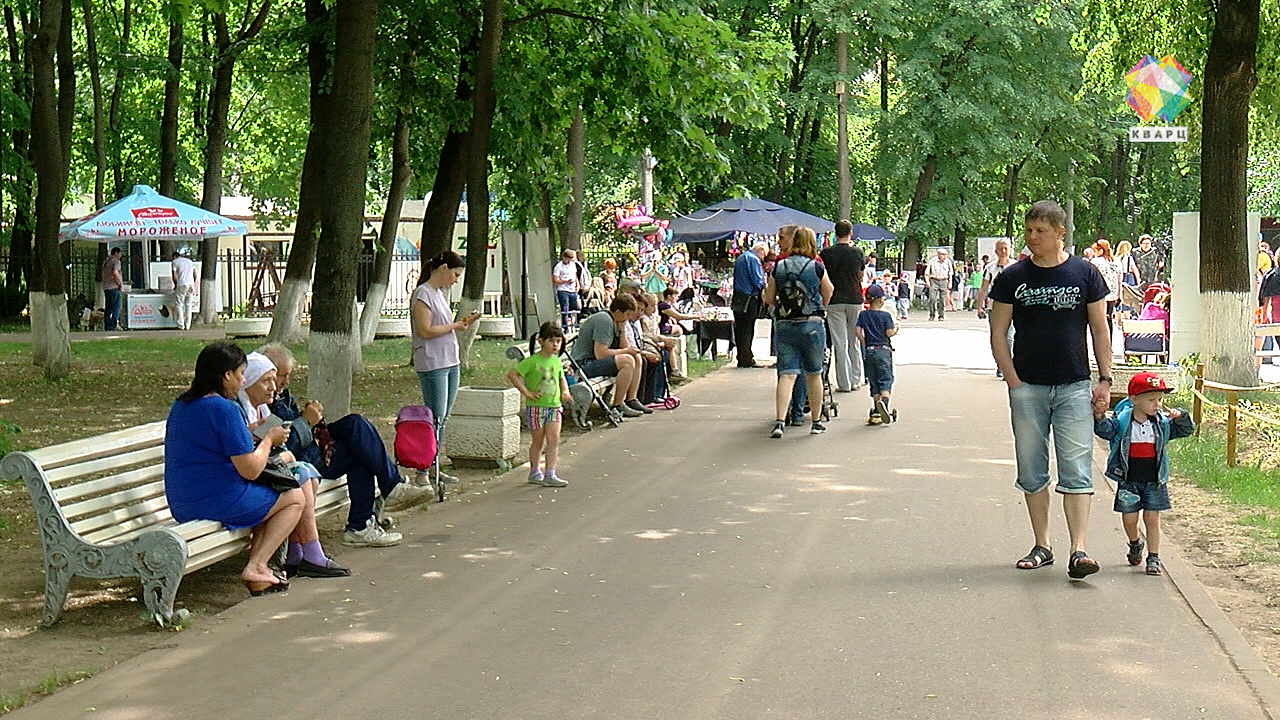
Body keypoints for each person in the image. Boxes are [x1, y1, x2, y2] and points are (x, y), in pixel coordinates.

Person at [988, 199, 1112, 581]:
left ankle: (1079, 550)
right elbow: (997, 332)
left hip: (1074, 385)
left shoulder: (1085, 274)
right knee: (1031, 467)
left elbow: (1100, 328)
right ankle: (1042, 544)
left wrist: (1104, 379)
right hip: (1028, 387)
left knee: (1076, 469)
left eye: (1040, 231)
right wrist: (1013, 381)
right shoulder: (1012, 277)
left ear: (1060, 233)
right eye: (1028, 230)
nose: (1032, 238)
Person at [257, 343, 431, 548]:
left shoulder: (280, 394)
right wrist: (305, 421)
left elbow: (295, 425)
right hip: (302, 462)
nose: (285, 381)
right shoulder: (259, 398)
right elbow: (284, 448)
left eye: (286, 375)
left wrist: (310, 417)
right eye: (280, 376)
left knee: (356, 426)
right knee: (358, 452)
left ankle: (383, 497)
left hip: (314, 448)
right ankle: (364, 521)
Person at [164, 343, 302, 596]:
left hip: (182, 500)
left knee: (269, 499)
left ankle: (259, 575)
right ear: (226, 375)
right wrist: (269, 438)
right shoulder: (225, 409)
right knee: (294, 497)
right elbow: (250, 470)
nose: (242, 381)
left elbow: (213, 442)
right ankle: (257, 565)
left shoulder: (182, 404)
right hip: (215, 499)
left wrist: (252, 432)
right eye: (240, 375)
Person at [236, 352, 350, 579]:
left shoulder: (264, 409)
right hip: (251, 476)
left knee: (307, 474)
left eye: (273, 379)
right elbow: (254, 455)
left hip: (265, 470)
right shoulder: (238, 410)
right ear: (248, 381)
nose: (273, 387)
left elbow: (282, 450)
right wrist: (273, 441)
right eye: (266, 381)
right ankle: (310, 553)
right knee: (301, 475)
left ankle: (297, 552)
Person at [1093, 372, 1194, 576]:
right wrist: (1099, 416)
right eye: (1151, 400)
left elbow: (1186, 430)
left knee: (1152, 518)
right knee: (1130, 519)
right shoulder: (1122, 421)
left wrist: (1181, 416)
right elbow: (1105, 431)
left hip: (1154, 480)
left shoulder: (1162, 423)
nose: (1156, 404)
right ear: (1134, 399)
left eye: (1159, 399)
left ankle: (1154, 557)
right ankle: (1135, 543)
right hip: (1129, 480)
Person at [412, 251, 480, 484]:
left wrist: (460, 324)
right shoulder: (423, 294)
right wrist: (455, 326)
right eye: (455, 274)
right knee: (435, 417)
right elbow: (425, 330)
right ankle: (423, 470)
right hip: (433, 362)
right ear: (443, 268)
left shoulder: (439, 294)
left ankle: (434, 465)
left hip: (450, 360)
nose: (456, 279)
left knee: (444, 417)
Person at [765, 226, 833, 438]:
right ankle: (815, 421)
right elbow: (829, 290)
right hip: (811, 324)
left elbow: (768, 297)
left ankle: (779, 421)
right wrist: (819, 306)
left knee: (787, 374)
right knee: (814, 374)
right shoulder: (816, 266)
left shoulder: (779, 266)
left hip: (785, 324)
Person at [508, 322, 573, 487]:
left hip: (554, 405)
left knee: (554, 440)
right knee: (538, 441)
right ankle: (535, 470)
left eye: (558, 341)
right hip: (536, 407)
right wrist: (527, 392)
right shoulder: (532, 361)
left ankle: (550, 472)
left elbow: (560, 377)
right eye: (552, 341)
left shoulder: (556, 361)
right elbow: (513, 374)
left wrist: (565, 391)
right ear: (541, 341)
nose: (555, 345)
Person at [570, 294, 646, 418]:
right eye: (626, 314)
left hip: (594, 361)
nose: (628, 318)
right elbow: (600, 353)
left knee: (636, 358)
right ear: (617, 311)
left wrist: (622, 331)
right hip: (583, 365)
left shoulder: (616, 321)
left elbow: (624, 348)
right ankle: (618, 405)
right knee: (627, 361)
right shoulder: (604, 320)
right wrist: (626, 352)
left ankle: (631, 399)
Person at [819, 219, 867, 393]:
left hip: (834, 300)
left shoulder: (826, 253)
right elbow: (861, 274)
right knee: (854, 340)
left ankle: (844, 382)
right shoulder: (857, 252)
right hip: (855, 298)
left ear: (835, 233)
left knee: (839, 342)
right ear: (850, 233)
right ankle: (856, 379)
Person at [856, 283, 899, 425]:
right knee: (885, 379)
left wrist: (864, 342)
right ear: (881, 300)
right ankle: (884, 406)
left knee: (874, 380)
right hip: (883, 350)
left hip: (869, 350)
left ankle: (876, 410)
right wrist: (896, 329)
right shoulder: (885, 316)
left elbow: (857, 331)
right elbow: (889, 333)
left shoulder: (863, 315)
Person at [975, 238, 1016, 378]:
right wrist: (979, 307)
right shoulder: (990, 268)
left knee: (1010, 337)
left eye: (1006, 248)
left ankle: (1008, 366)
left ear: (1010, 249)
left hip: (1014, 307)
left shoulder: (1017, 267)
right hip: (995, 307)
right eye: (1000, 249)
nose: (1003, 251)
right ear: (996, 251)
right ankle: (1000, 364)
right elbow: (983, 289)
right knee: (996, 337)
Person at [731, 242, 768, 368]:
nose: (763, 259)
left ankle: (742, 356)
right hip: (749, 297)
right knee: (748, 328)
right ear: (761, 250)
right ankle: (747, 358)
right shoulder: (753, 259)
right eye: (764, 255)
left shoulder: (742, 257)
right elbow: (757, 280)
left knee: (740, 328)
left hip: (739, 296)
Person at [1091, 239, 1122, 338]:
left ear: (1100, 250)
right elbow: (1119, 279)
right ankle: (1110, 343)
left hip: (1100, 293)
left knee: (1100, 320)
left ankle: (1101, 342)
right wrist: (1119, 294)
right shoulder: (1116, 262)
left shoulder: (1096, 261)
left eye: (1095, 250)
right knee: (1109, 318)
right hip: (1113, 293)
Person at [553, 249, 583, 331]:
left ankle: (576, 325)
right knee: (565, 308)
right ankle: (565, 326)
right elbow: (555, 280)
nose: (569, 261)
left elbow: (575, 275)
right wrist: (565, 281)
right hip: (563, 290)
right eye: (567, 259)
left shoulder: (572, 265)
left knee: (575, 308)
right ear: (564, 257)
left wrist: (577, 284)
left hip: (572, 290)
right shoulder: (558, 267)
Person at [170, 250, 196, 331]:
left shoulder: (174, 262)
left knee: (179, 304)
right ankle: (188, 325)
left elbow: (174, 276)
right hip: (191, 284)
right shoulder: (189, 261)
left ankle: (180, 324)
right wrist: (192, 282)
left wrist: (175, 285)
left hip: (181, 284)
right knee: (188, 305)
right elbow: (195, 274)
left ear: (174, 257)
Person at [925, 247, 952, 321]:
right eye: (943, 255)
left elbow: (950, 273)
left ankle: (941, 315)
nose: (945, 256)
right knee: (932, 299)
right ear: (939, 254)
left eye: (946, 255)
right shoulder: (932, 261)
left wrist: (950, 283)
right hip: (934, 280)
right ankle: (932, 314)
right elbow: (927, 273)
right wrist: (927, 282)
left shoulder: (948, 262)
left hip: (944, 281)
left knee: (942, 300)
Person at [101, 247, 124, 331]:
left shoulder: (106, 261)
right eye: (120, 253)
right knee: (116, 306)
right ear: (116, 253)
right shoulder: (116, 261)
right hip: (113, 287)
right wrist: (120, 284)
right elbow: (115, 272)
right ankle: (114, 324)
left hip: (106, 287)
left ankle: (108, 325)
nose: (120, 255)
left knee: (108, 307)